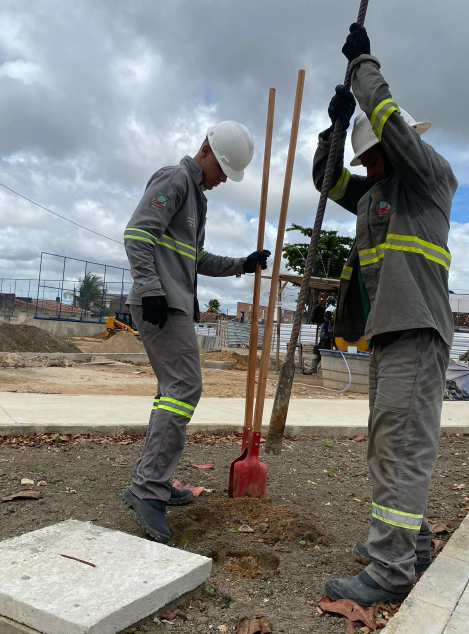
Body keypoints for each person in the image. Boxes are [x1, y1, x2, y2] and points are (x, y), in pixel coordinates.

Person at [312, 24, 456, 606]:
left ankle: (391, 569)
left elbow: (391, 122)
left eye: (372, 157)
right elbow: (326, 180)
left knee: (399, 445)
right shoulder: (374, 194)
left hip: (418, 329)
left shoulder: (428, 178)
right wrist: (338, 123)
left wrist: (361, 67)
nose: (367, 167)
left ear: (388, 150)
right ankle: (411, 542)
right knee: (387, 441)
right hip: (387, 334)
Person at [122, 121, 271, 543]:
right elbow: (137, 234)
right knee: (185, 388)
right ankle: (147, 489)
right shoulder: (175, 179)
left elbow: (196, 258)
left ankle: (152, 480)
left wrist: (242, 264)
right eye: (222, 167)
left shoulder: (197, 201)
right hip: (160, 303)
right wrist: (150, 288)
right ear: (204, 148)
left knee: (173, 391)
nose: (224, 178)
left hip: (171, 302)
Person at [304, 310, 334, 375]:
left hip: (330, 344)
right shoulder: (323, 324)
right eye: (326, 317)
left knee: (327, 360)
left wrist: (330, 323)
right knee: (316, 358)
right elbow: (321, 333)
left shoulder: (333, 324)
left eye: (328, 317)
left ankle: (326, 373)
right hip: (322, 342)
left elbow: (330, 331)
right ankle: (310, 371)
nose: (327, 319)